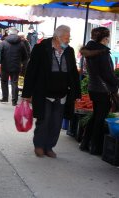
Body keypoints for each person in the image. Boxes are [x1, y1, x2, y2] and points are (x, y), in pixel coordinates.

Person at [21, 25, 81, 158]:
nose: (68, 40)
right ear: (56, 37)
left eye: (68, 38)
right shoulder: (41, 49)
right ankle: (39, 145)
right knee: (44, 120)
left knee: (56, 122)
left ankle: (49, 147)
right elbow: (32, 71)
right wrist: (27, 93)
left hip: (62, 93)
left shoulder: (69, 51)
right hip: (44, 92)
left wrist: (77, 93)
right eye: (66, 38)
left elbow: (73, 73)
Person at [79, 27, 119, 155]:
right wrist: (117, 82)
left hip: (93, 87)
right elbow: (107, 74)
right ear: (105, 38)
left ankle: (85, 143)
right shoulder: (102, 53)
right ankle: (94, 146)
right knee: (100, 118)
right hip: (102, 89)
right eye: (108, 37)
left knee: (96, 115)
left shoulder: (90, 50)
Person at [0, 27, 28, 106]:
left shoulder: (4, 42)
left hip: (5, 66)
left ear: (9, 33)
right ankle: (14, 101)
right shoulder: (21, 43)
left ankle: (5, 98)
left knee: (4, 82)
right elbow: (25, 56)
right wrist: (21, 62)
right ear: (16, 33)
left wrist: (0, 62)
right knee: (14, 82)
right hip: (16, 66)